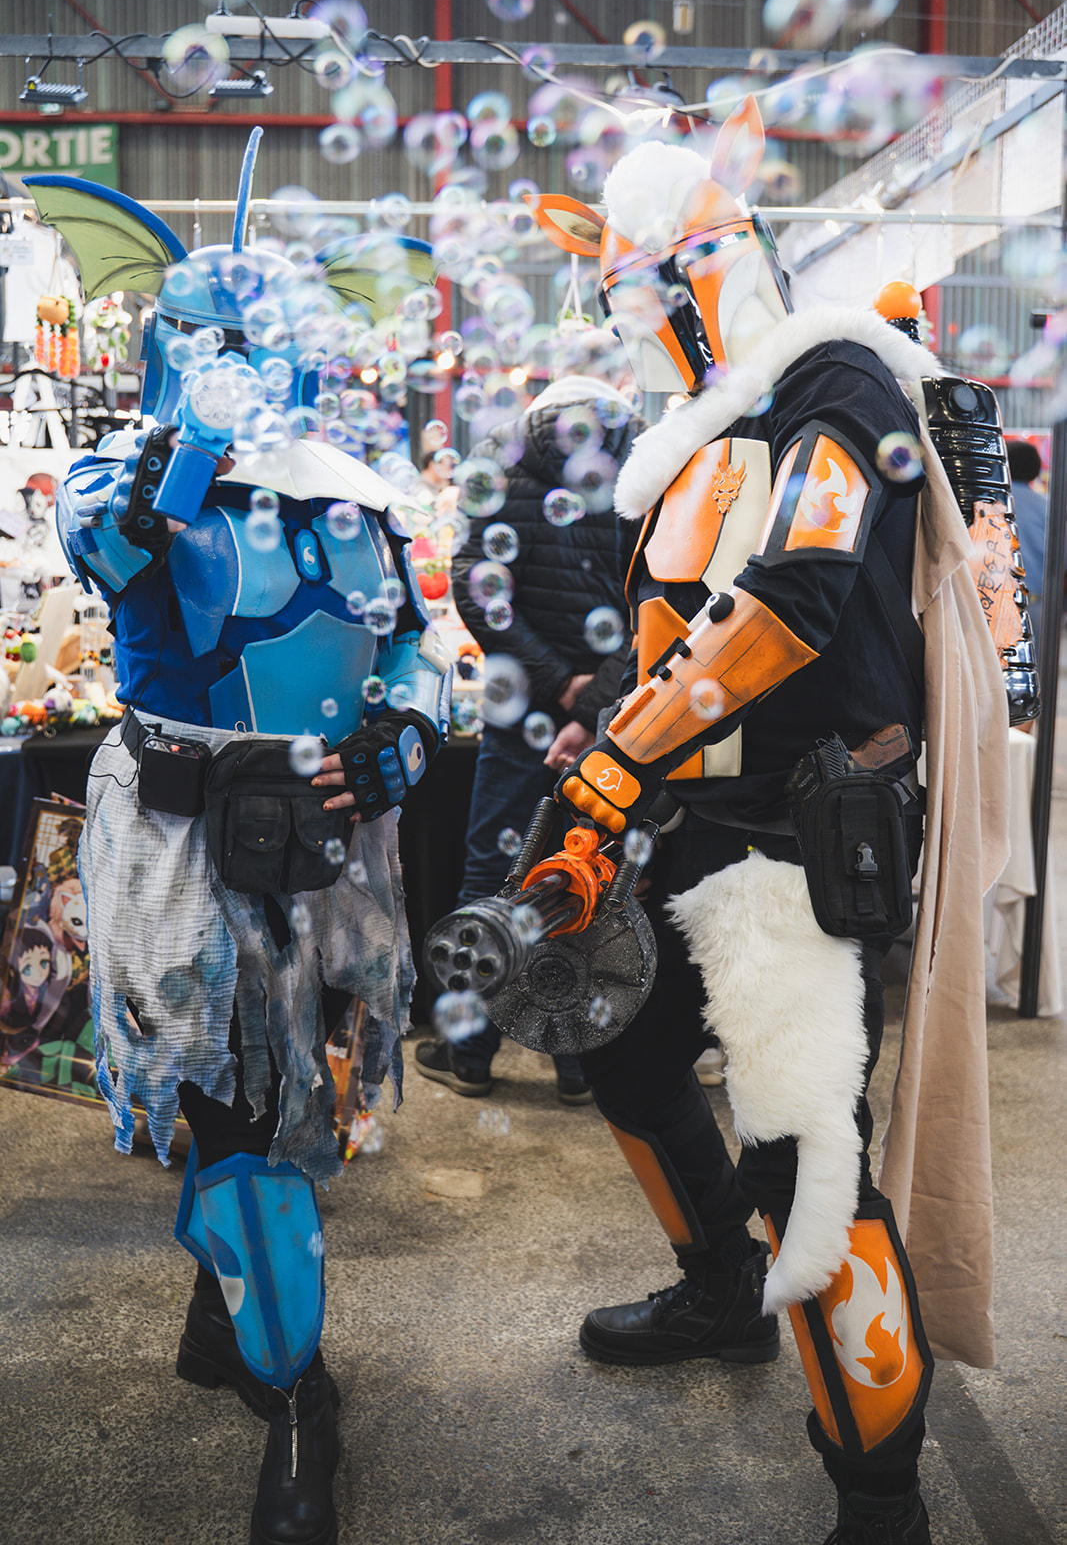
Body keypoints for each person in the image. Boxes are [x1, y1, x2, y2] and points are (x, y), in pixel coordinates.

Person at [532, 97, 1007, 1544]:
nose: (625, 323)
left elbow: (792, 599)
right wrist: (610, 730)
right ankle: (718, 1292)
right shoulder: (714, 423)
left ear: (705, 268)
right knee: (621, 1050)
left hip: (799, 845)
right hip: (691, 824)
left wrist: (620, 756)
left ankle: (880, 1493)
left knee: (805, 1158)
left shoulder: (836, 378)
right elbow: (681, 626)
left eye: (636, 287)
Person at [33, 141, 450, 1545]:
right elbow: (117, 551)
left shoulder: (356, 497)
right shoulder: (120, 479)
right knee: (232, 1117)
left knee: (282, 1095)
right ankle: (299, 1397)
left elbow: (412, 648)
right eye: (225, 347)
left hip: (327, 843)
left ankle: (223, 1328)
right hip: (183, 842)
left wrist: (404, 731)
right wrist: (192, 439)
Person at [414, 347, 643, 1105]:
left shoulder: (502, 462)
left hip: (518, 711)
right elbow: (654, 607)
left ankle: (469, 1052)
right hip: (611, 720)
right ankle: (576, 1062)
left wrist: (553, 684)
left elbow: (478, 592)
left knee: (494, 870)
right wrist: (588, 696)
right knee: (589, 877)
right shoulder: (640, 472)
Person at [1006, 439, 1047, 653]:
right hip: (1035, 602)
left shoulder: (990, 500)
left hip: (993, 598)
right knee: (1036, 660)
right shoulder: (1045, 507)